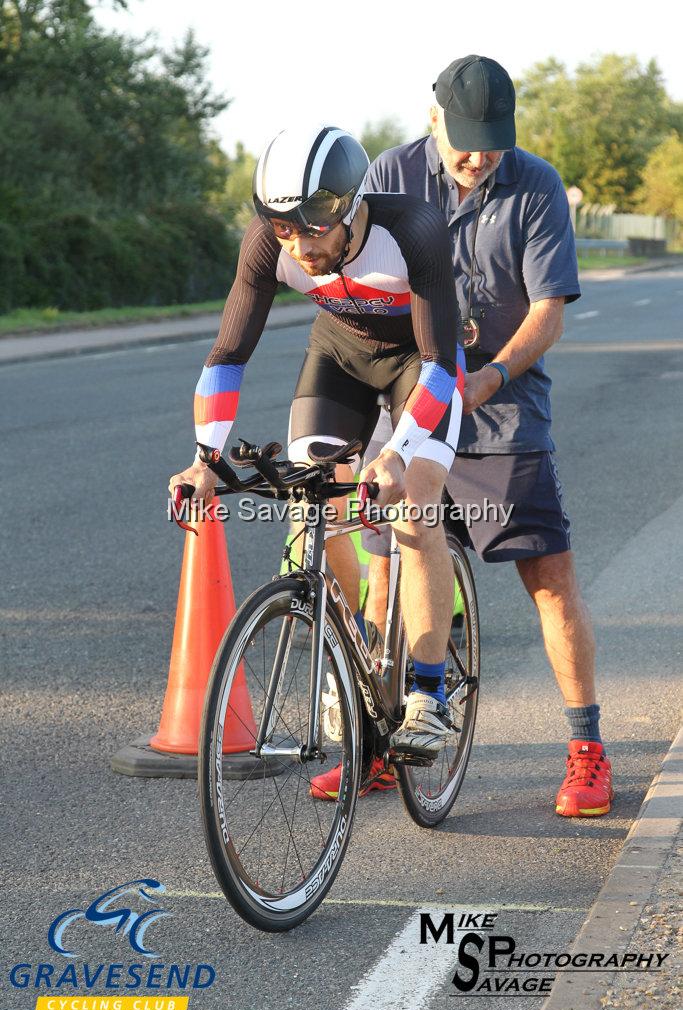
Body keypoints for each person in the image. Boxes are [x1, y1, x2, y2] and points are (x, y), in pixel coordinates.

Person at [169, 124, 467, 797]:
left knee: (413, 506)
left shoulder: (412, 229)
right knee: (315, 513)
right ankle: (355, 646)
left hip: (421, 367)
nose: (300, 244)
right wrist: (203, 460)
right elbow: (226, 356)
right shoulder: (268, 243)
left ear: (351, 205)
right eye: (283, 228)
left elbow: (443, 367)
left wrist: (392, 454)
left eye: (315, 226)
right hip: (338, 362)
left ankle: (427, 692)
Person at [357, 55, 613, 818]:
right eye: (466, 140)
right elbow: (360, 293)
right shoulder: (388, 176)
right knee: (384, 585)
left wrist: (488, 379)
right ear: (432, 116)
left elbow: (546, 310)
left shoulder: (534, 184)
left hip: (501, 413)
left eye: (493, 142)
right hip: (407, 415)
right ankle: (378, 749)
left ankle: (587, 749)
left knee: (549, 580)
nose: (479, 156)